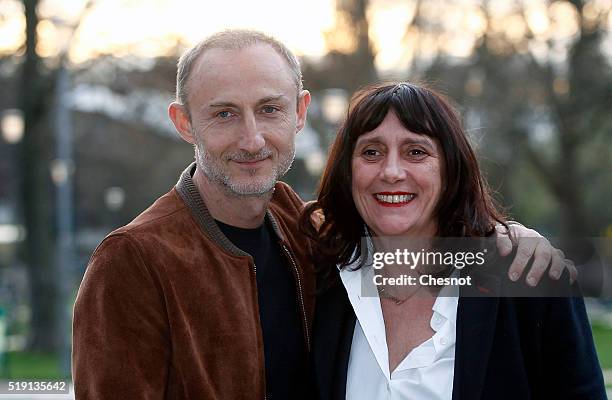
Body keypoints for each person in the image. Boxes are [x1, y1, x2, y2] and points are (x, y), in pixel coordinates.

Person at [72, 30, 575, 399]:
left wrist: (505, 239)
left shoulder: (310, 234)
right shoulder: (133, 260)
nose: (252, 139)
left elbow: (412, 237)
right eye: (224, 113)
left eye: (269, 109)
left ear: (300, 112)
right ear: (184, 122)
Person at [302, 82, 605, 399]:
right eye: (371, 152)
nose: (391, 171)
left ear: (450, 169)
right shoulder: (319, 282)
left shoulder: (529, 279)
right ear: (348, 171)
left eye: (416, 152)